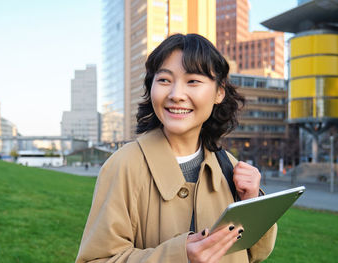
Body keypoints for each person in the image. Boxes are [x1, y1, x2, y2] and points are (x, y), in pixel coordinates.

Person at [76, 33, 277, 263]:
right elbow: (95, 259)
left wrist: (252, 203)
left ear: (219, 92)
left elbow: (255, 254)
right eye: (164, 80)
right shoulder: (124, 165)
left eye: (193, 81)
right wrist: (179, 257)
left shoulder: (228, 165)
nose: (176, 95)